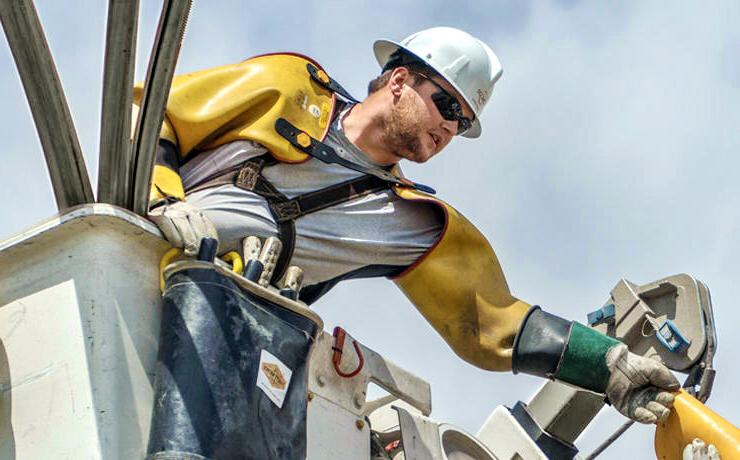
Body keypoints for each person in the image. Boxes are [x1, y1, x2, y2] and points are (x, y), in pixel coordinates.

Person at [145, 26, 680, 425]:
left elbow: (497, 325)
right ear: (400, 80)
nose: (450, 126)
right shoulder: (289, 87)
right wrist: (163, 198)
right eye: (446, 103)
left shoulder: (411, 220)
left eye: (463, 122)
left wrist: (610, 366)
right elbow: (155, 114)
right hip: (139, 262)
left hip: (221, 334)